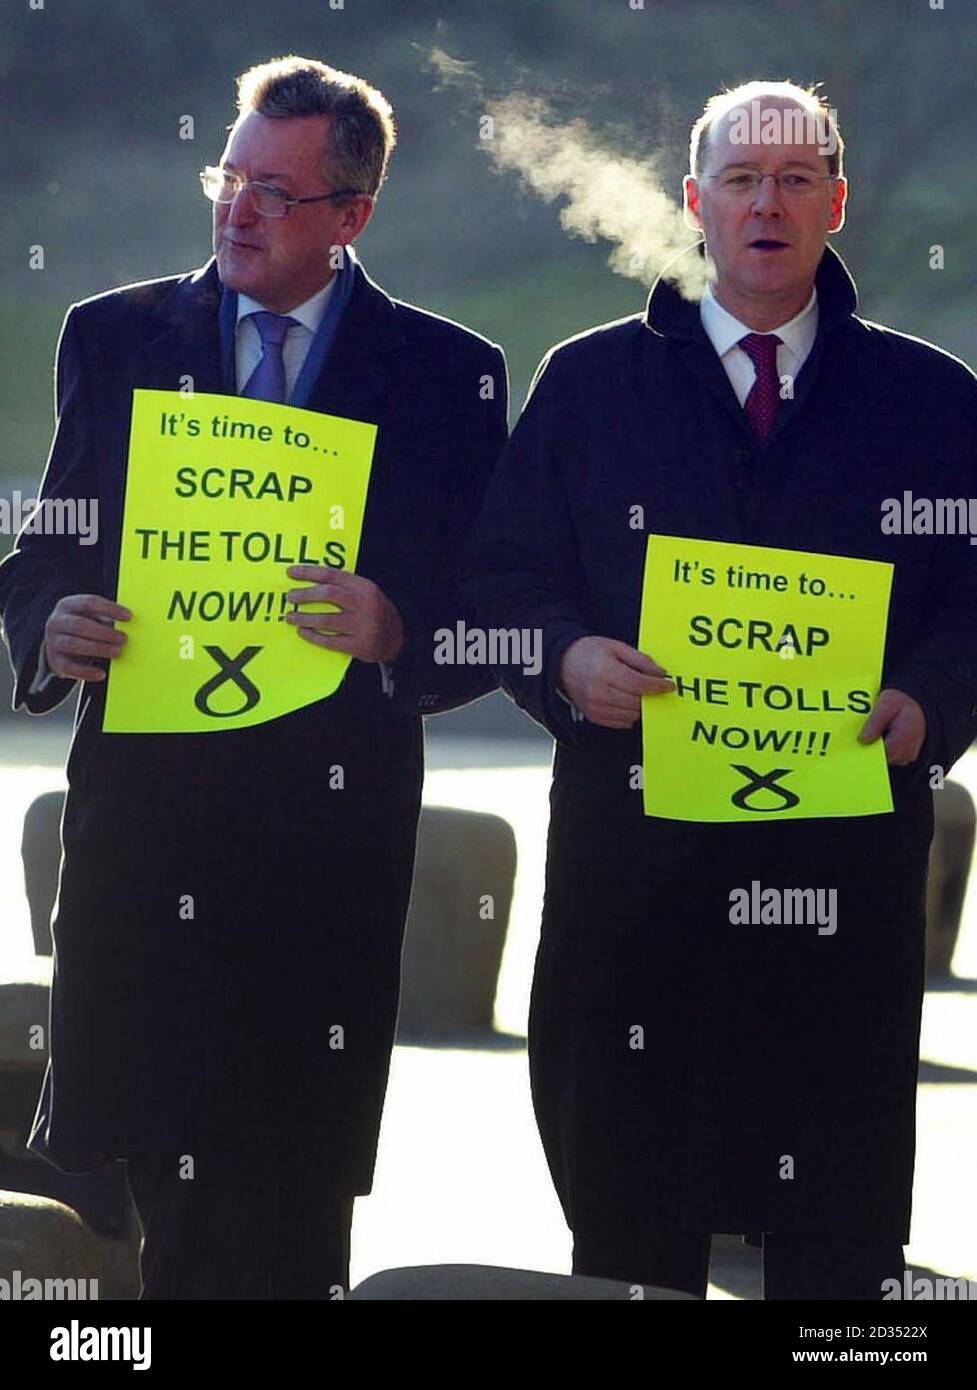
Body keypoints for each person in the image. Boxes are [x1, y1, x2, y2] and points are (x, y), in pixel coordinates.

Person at [0, 55, 507, 1299]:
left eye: (275, 193)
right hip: (146, 846)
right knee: (151, 1200)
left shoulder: (448, 374)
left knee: (288, 1196)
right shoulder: (114, 335)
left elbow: (494, 602)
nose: (236, 209)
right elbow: (46, 547)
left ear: (351, 217)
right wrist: (52, 618)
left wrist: (398, 628)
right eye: (227, 176)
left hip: (319, 859)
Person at [467, 80, 977, 1299]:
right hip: (635, 874)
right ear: (693, 202)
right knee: (632, 1229)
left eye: (796, 179)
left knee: (838, 1246)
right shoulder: (589, 384)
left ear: (835, 205)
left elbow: (972, 600)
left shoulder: (929, 398)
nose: (768, 203)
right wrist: (562, 659)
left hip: (836, 881)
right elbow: (497, 581)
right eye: (740, 179)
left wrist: (929, 703)